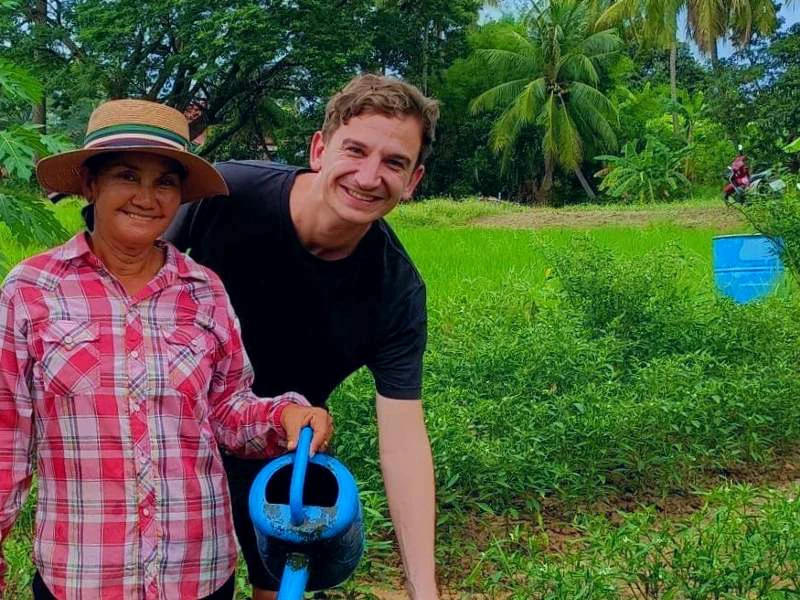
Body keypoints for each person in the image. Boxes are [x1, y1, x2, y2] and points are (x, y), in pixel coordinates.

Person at [0, 99, 332, 599]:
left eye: (165, 182)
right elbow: (6, 435)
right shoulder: (31, 289)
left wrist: (284, 415)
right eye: (127, 176)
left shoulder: (204, 290)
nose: (146, 197)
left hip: (197, 571)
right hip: (83, 575)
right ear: (91, 184)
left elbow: (225, 408)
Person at [166, 74, 440, 599]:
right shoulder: (226, 194)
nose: (368, 176)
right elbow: (124, 271)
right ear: (319, 148)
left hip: (280, 445)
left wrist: (422, 588)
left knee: (278, 585)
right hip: (174, 429)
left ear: (413, 180)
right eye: (355, 150)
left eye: (394, 163)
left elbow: (403, 442)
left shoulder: (396, 292)